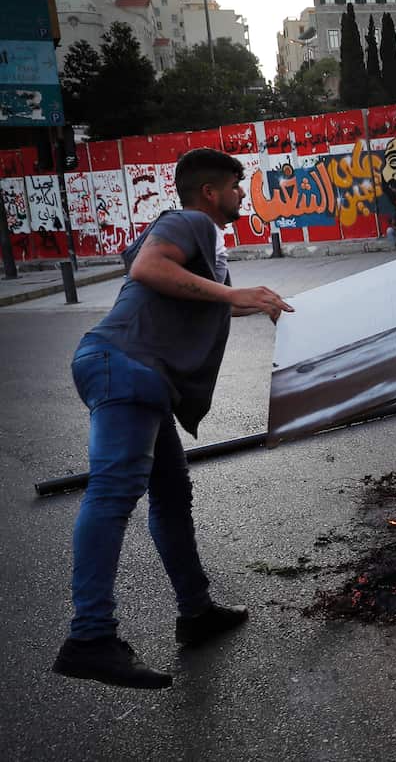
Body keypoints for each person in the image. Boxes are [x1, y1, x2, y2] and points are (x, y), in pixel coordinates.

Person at [52, 148, 294, 689]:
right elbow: (147, 267)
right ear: (210, 191)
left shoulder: (198, 240)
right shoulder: (188, 221)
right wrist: (235, 293)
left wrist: (246, 302)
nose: (241, 192)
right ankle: (89, 636)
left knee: (170, 492)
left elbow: (173, 284)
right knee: (113, 494)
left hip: (139, 374)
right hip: (126, 366)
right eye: (236, 184)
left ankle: (196, 611)